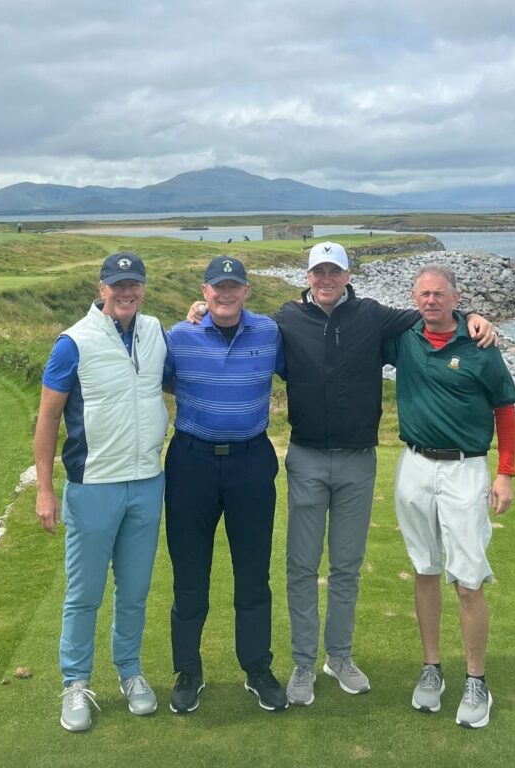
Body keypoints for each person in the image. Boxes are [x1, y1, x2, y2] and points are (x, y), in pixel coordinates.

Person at [187, 242, 496, 707]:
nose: (326, 279)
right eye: (319, 272)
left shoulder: (372, 315)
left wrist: (472, 314)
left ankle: (340, 657)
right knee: (301, 567)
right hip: (307, 457)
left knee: (346, 567)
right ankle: (303, 662)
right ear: (308, 277)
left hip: (358, 459)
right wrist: (201, 313)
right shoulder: (285, 319)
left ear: (347, 276)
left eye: (334, 272)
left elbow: (431, 313)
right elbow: (239, 324)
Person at [34, 251, 168, 733]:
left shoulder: (155, 331)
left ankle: (130, 672)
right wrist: (45, 490)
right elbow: (48, 417)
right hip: (92, 486)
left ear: (143, 287)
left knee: (133, 592)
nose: (126, 292)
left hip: (147, 482)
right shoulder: (73, 342)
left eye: (134, 283)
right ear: (102, 287)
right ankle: (75, 684)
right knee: (85, 593)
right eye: (118, 284)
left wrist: (196, 314)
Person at [383, 264, 515, 730]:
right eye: (423, 294)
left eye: (438, 294)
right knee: (424, 568)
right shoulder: (404, 338)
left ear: (456, 298)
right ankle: (431, 668)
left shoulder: (480, 345)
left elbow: (505, 409)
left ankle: (476, 680)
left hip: (466, 468)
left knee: (467, 579)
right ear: (414, 298)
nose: (430, 301)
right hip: (415, 466)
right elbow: (346, 326)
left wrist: (505, 473)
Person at [163, 256, 289, 714]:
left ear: (247, 291)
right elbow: (157, 381)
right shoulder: (180, 336)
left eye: (234, 286)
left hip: (251, 462)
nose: (226, 293)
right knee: (190, 574)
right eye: (218, 287)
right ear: (205, 290)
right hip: (191, 464)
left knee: (254, 574)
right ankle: (188, 671)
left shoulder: (270, 333)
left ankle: (257, 668)